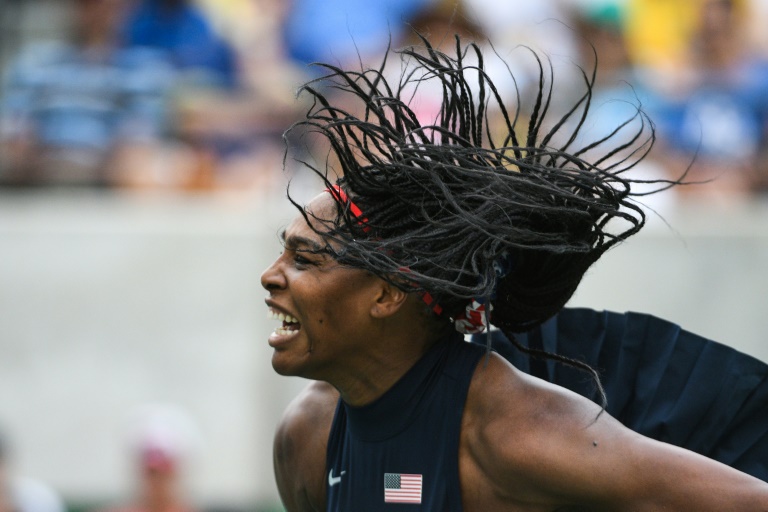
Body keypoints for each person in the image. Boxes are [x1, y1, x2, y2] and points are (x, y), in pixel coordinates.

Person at [261, 35, 768, 510]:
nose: (270, 276)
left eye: (304, 259)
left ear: (387, 293)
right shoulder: (305, 436)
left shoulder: (518, 434)